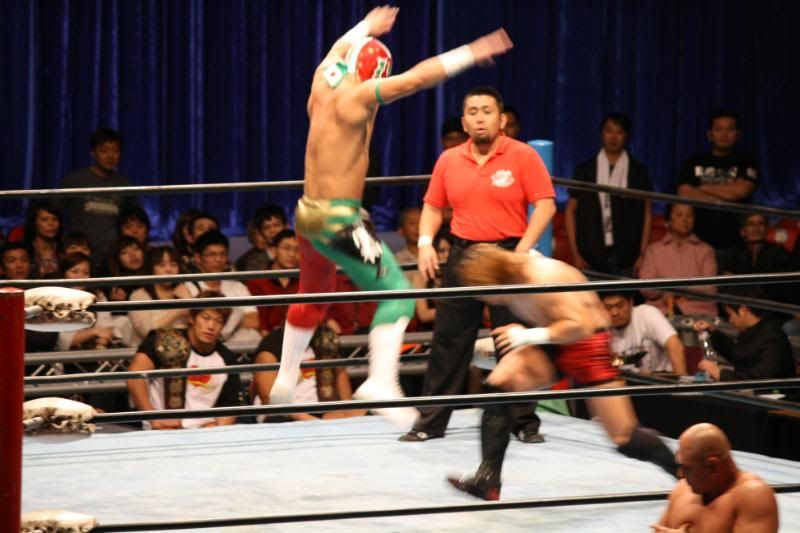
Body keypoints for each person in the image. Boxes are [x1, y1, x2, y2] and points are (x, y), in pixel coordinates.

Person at [270, 5, 514, 428]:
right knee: (398, 292)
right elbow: (417, 79)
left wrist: (368, 25)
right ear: (376, 75)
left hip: (306, 213)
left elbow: (341, 46)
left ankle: (285, 379)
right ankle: (381, 381)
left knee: (314, 294)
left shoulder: (324, 77)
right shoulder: (359, 96)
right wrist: (471, 52)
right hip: (337, 219)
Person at [447, 245, 678, 500]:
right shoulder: (512, 279)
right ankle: (487, 480)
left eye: (480, 290)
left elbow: (580, 325)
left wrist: (527, 335)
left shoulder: (542, 277)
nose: (482, 299)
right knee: (500, 384)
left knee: (624, 436)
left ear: (491, 278)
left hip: (587, 345)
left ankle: (682, 472)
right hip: (555, 342)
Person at [401, 86, 555, 443]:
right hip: (464, 253)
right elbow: (433, 206)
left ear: (501, 119)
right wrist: (425, 243)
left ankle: (523, 422)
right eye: (472, 112)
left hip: (508, 253)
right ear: (464, 121)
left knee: (514, 338)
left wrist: (522, 250)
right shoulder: (449, 160)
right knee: (449, 339)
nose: (480, 118)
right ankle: (430, 422)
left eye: (487, 111)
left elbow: (546, 204)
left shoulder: (523, 155)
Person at [126, 291, 241, 430]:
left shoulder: (227, 358)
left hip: (204, 432)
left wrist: (217, 428)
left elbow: (230, 404)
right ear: (192, 318)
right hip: (162, 429)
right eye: (205, 318)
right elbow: (134, 376)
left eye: (218, 321)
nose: (211, 326)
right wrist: (153, 417)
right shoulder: (164, 342)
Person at [566, 112, 652, 275]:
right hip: (590, 256)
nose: (613, 137)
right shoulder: (585, 170)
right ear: (601, 134)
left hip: (627, 256)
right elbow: (570, 210)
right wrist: (575, 253)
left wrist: (642, 254)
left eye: (619, 132)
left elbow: (647, 214)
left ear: (627, 136)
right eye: (609, 131)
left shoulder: (638, 171)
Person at [652, 422, 778, 533]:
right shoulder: (682, 490)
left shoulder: (752, 495)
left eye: (688, 469)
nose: (681, 475)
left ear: (713, 466)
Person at [60, 128, 141, 271]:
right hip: (80, 258)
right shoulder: (75, 180)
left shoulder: (123, 184)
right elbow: (53, 212)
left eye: (115, 151)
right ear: (93, 153)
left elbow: (135, 219)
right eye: (104, 150)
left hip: (111, 260)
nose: (110, 156)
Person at [677, 110, 759, 251]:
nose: (724, 134)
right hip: (696, 241)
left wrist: (703, 187)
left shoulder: (747, 162)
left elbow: (741, 191)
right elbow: (684, 193)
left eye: (730, 130)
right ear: (709, 135)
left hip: (735, 243)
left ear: (738, 134)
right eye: (718, 129)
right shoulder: (693, 162)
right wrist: (728, 193)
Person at [252, 324, 366, 421]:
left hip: (322, 411)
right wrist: (314, 422)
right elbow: (270, 400)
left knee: (366, 414)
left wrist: (348, 412)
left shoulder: (327, 340)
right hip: (283, 413)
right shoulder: (271, 346)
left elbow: (345, 394)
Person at [693, 286, 795, 382]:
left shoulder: (773, 338)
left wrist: (720, 373)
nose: (730, 320)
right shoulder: (753, 331)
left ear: (743, 310)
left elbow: (762, 377)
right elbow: (737, 353)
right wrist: (711, 332)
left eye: (731, 314)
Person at [638, 203, 718, 317]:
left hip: (698, 313)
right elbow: (646, 289)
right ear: (668, 220)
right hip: (660, 313)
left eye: (689, 215)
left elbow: (710, 289)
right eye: (679, 215)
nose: (685, 219)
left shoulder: (706, 251)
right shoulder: (653, 250)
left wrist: (675, 289)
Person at [183, 229, 261, 342]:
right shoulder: (187, 288)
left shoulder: (237, 287)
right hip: (201, 342)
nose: (218, 259)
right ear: (198, 258)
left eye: (222, 254)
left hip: (233, 343)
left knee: (253, 335)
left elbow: (253, 321)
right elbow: (190, 323)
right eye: (212, 254)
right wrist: (235, 319)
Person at [602, 291, 688, 375]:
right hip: (623, 382)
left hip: (659, 379)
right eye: (608, 307)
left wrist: (682, 380)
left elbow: (675, 345)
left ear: (631, 303)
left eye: (620, 306)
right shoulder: (600, 327)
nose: (615, 313)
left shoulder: (646, 314)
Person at [717, 214, 792, 302]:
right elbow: (725, 286)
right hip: (735, 304)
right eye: (750, 224)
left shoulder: (779, 254)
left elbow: (777, 288)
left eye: (761, 224)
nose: (756, 228)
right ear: (742, 231)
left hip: (770, 306)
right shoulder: (730, 255)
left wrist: (738, 282)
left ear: (767, 229)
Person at [128, 246, 191, 340]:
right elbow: (148, 332)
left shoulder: (186, 290)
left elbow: (200, 327)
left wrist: (189, 300)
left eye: (173, 265)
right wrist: (179, 310)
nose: (169, 270)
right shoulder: (138, 296)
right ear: (152, 268)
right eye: (162, 265)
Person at [247, 229, 301, 333]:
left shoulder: (305, 282)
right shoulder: (257, 282)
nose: (292, 254)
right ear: (274, 251)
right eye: (286, 248)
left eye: (297, 249)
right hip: (268, 338)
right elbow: (261, 324)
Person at [22, 200, 63, 278]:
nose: (51, 224)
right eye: (45, 220)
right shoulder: (25, 250)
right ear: (34, 222)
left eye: (55, 219)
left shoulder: (64, 250)